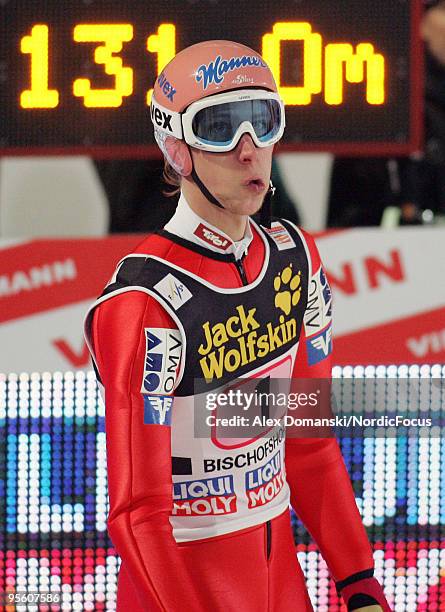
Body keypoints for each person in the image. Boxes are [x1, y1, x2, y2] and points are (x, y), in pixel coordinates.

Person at [84, 40, 391, 611]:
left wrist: (358, 582)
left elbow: (310, 445)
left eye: (263, 120)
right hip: (183, 588)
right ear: (177, 150)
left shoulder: (296, 258)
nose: (250, 151)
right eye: (221, 128)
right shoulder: (145, 301)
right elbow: (138, 514)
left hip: (282, 581)